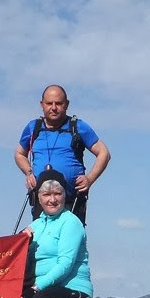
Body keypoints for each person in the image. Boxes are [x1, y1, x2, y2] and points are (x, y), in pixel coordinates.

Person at [14, 85, 110, 222]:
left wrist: (90, 179)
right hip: (41, 201)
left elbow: (103, 153)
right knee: (42, 241)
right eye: (49, 103)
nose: (53, 108)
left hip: (72, 201)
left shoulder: (78, 126)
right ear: (42, 105)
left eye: (58, 103)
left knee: (70, 240)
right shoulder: (33, 127)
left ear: (67, 104)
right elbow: (19, 153)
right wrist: (29, 173)